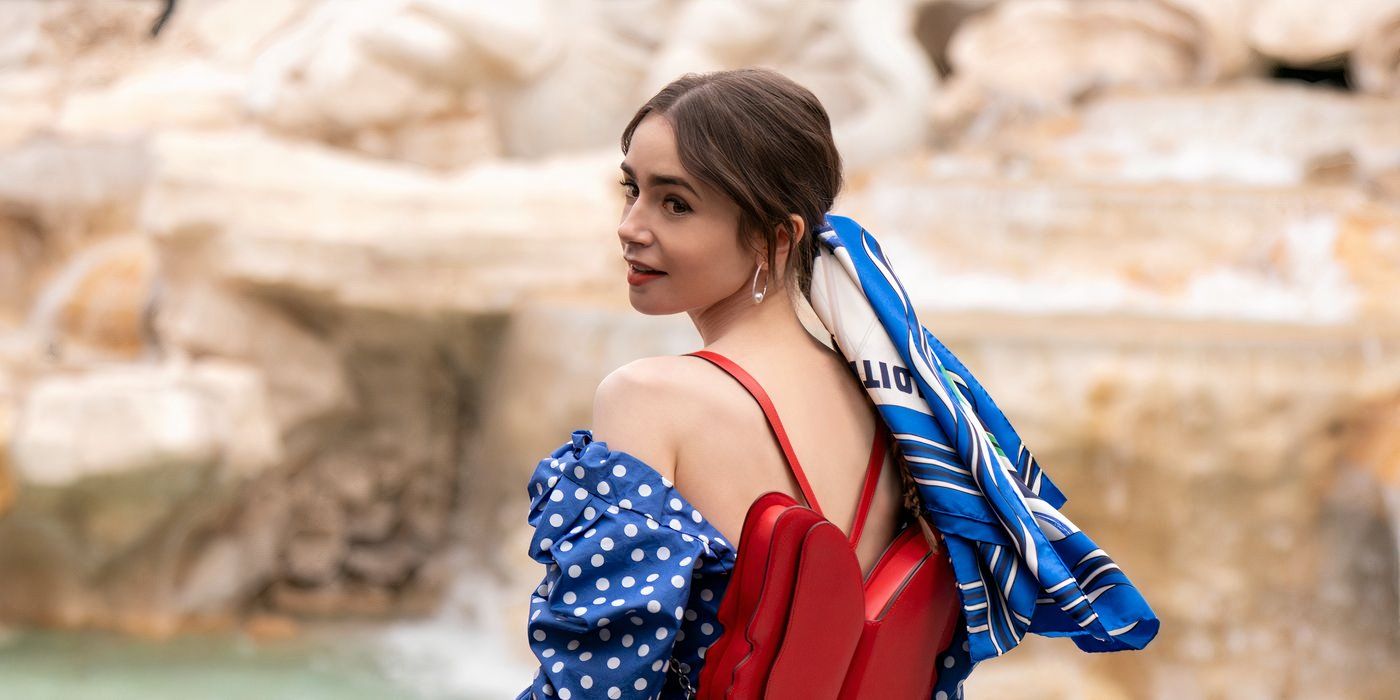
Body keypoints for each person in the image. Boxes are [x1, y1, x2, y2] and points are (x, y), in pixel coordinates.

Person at [516, 67, 1158, 700]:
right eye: (632, 190)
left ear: (777, 235)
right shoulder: (901, 407)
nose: (632, 226)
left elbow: (598, 674)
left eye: (675, 203)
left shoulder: (650, 399)